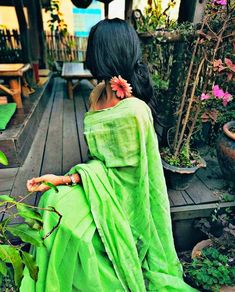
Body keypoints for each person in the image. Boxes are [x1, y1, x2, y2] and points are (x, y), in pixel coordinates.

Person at [21, 18, 198, 292]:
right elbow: (100, 161)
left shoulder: (135, 111)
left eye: (93, 49)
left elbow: (133, 177)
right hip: (97, 183)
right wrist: (63, 180)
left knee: (71, 226)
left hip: (123, 198)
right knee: (52, 200)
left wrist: (74, 179)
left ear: (102, 53)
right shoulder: (97, 94)